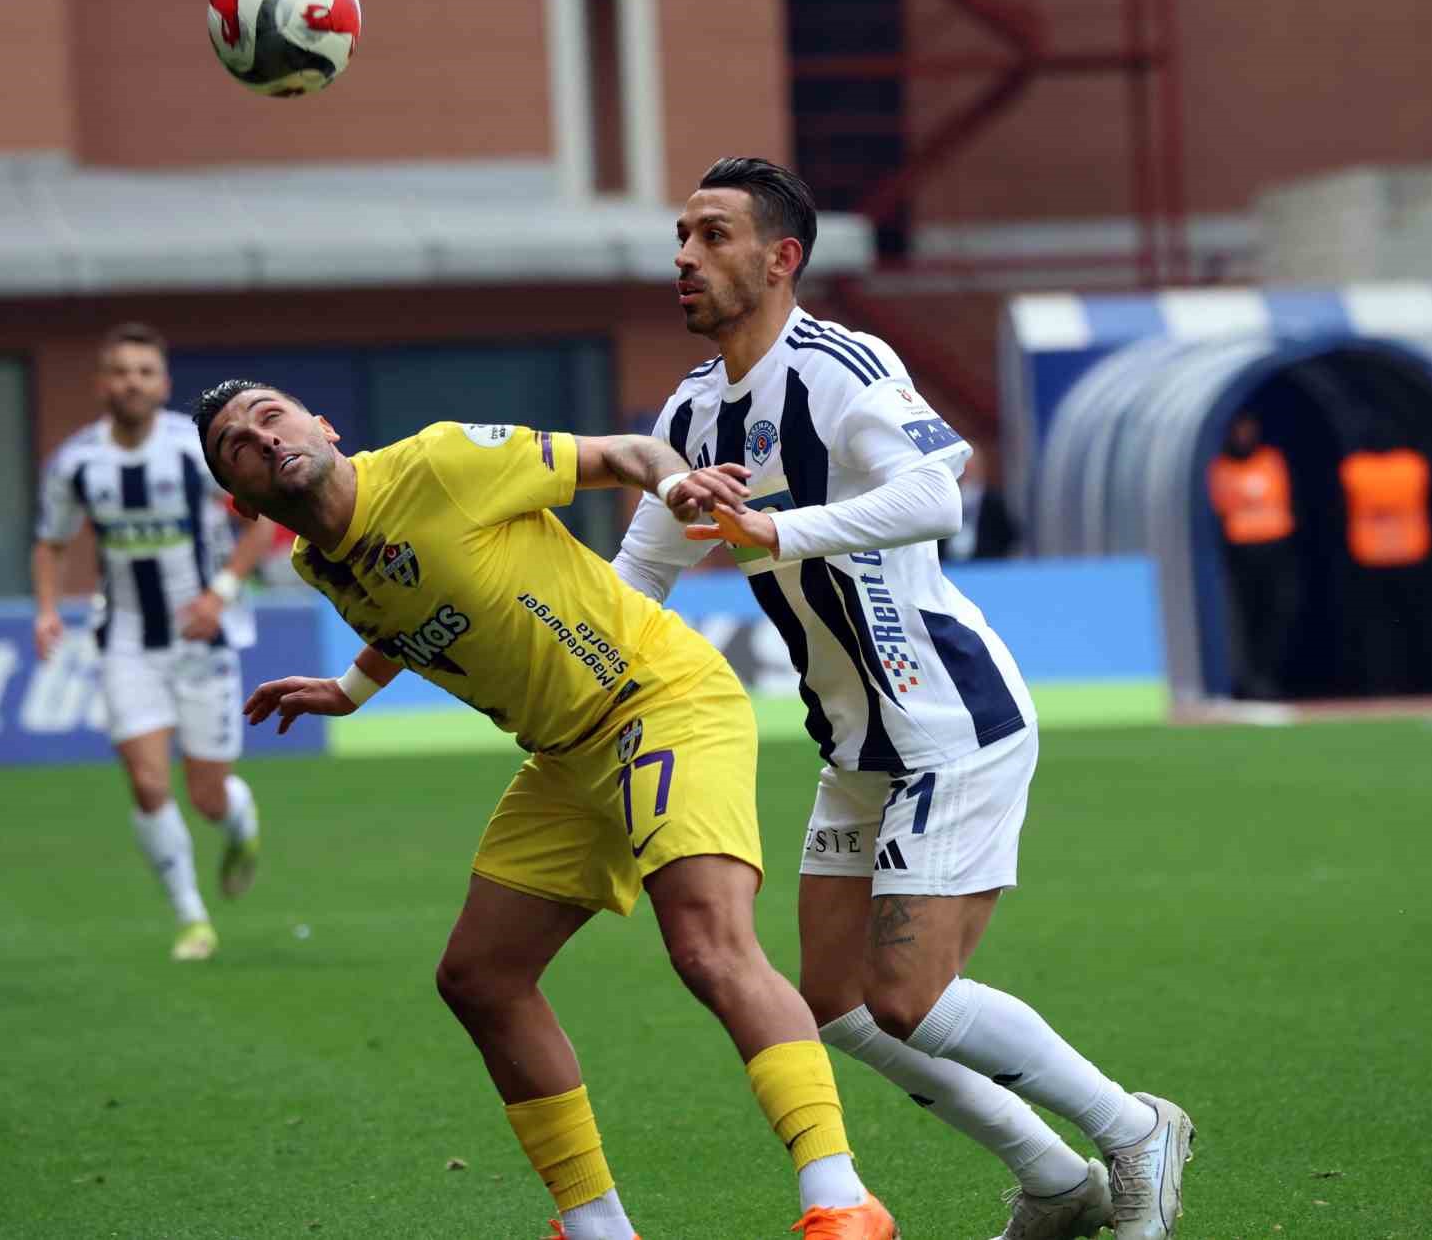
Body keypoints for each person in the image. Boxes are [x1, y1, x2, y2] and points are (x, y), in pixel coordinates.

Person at [612, 157, 1194, 1240]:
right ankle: (1055, 1178)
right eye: (681, 235)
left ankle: (1132, 1130)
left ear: (781, 258)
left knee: (907, 995)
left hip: (947, 722)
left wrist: (774, 529)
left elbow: (937, 490)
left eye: (713, 235)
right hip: (854, 747)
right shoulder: (693, 413)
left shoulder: (837, 365)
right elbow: (634, 583)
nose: (685, 256)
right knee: (830, 1002)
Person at [192, 380, 900, 1240]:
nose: (262, 439)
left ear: (324, 426)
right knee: (479, 977)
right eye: (237, 444)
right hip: (568, 756)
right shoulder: (318, 562)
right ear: (240, 499)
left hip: (657, 697)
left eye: (271, 417)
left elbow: (620, 455)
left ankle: (841, 1200)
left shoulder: (442, 461)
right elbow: (413, 598)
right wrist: (350, 689)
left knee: (709, 945)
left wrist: (674, 486)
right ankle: (596, 1227)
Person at [32, 323, 278, 962]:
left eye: (144, 371)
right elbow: (52, 540)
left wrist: (219, 592)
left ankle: (238, 817)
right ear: (101, 384)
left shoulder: (195, 449)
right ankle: (192, 919)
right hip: (126, 641)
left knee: (206, 796)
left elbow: (264, 517)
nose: (131, 382)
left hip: (204, 636)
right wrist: (47, 611)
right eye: (119, 371)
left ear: (162, 384)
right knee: (146, 783)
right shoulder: (77, 461)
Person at [1206, 413, 1298, 700]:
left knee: (1279, 615)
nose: (1244, 436)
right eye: (1239, 431)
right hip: (1242, 554)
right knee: (1245, 619)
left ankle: (1270, 677)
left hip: (1277, 550)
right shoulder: (1221, 468)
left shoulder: (1271, 460)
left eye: (1249, 430)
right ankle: (1248, 680)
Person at [1339, 437, 1432, 695]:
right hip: (1410, 555)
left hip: (1370, 557)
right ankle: (1420, 682)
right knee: (1412, 627)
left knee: (1378, 632)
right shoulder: (1413, 465)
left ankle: (1382, 686)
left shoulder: (1355, 468)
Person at [941, 447, 1019, 564]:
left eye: (971, 469)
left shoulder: (995, 503)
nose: (967, 474)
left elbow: (1010, 537)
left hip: (986, 567)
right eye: (964, 469)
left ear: (980, 469)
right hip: (948, 566)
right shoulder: (944, 501)